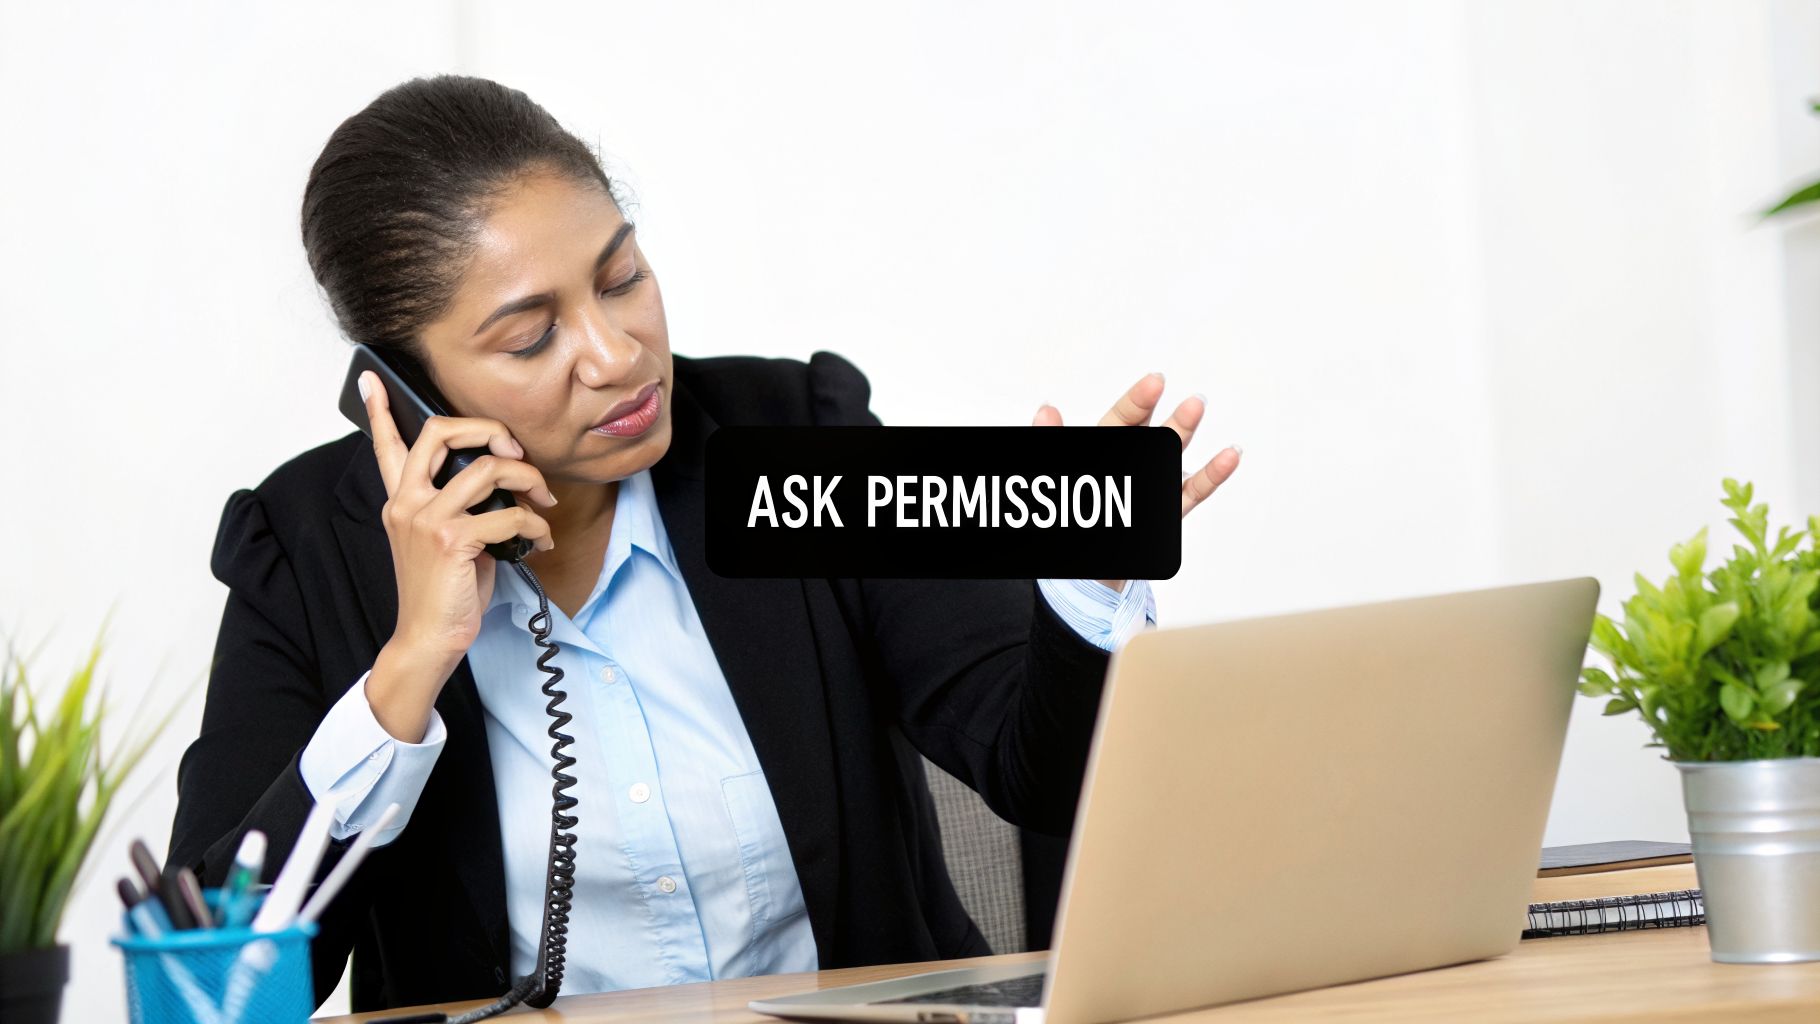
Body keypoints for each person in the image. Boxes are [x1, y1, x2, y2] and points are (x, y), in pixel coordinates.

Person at [167, 74, 1240, 1014]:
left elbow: (1037, 771)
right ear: (402, 388)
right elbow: (213, 995)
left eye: (620, 277)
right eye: (531, 335)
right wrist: (407, 669)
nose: (615, 351)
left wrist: (1082, 589)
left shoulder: (796, 436)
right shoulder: (305, 551)